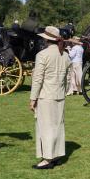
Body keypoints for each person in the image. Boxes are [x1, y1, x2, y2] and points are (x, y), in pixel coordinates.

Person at [29, 26, 72, 169]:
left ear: (46, 39)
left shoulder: (42, 55)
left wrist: (33, 98)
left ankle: (47, 159)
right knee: (58, 126)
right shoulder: (65, 55)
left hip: (45, 96)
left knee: (46, 127)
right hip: (59, 95)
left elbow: (37, 79)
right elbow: (68, 78)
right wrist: (63, 91)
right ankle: (57, 155)